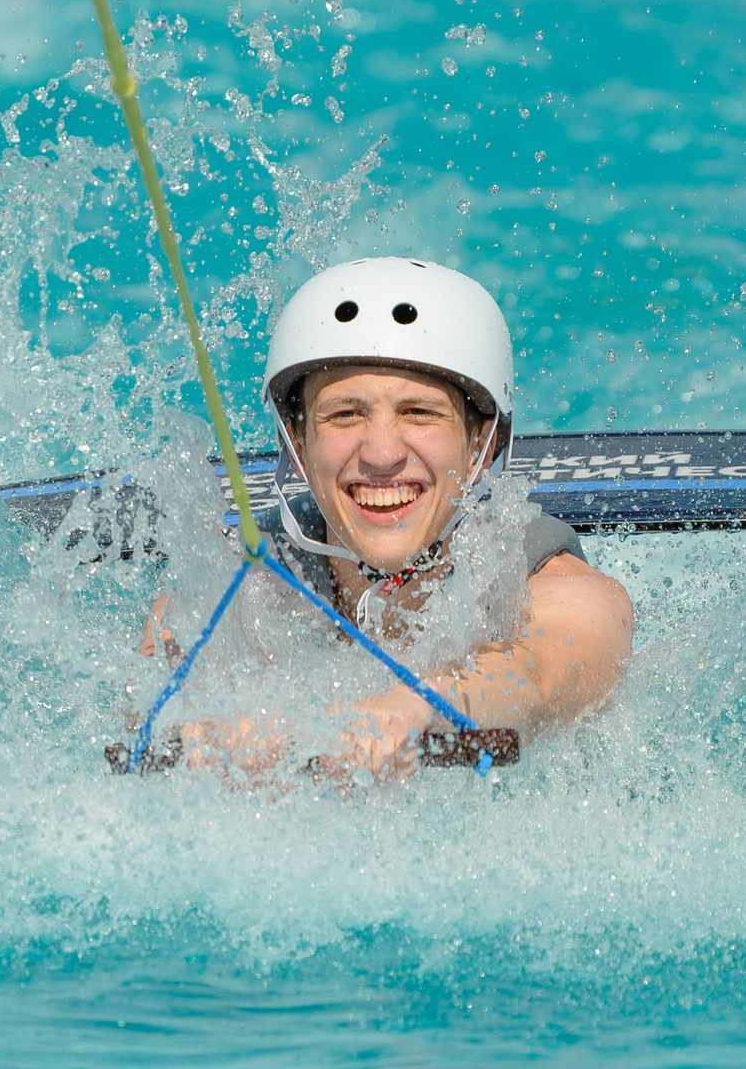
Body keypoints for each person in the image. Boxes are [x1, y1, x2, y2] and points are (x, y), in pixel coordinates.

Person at [151, 258, 633, 782]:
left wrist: (417, 705)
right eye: (344, 414)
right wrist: (199, 728)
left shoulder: (564, 591)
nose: (381, 455)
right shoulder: (234, 588)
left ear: (481, 443)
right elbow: (147, 705)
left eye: (419, 412)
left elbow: (541, 675)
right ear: (299, 441)